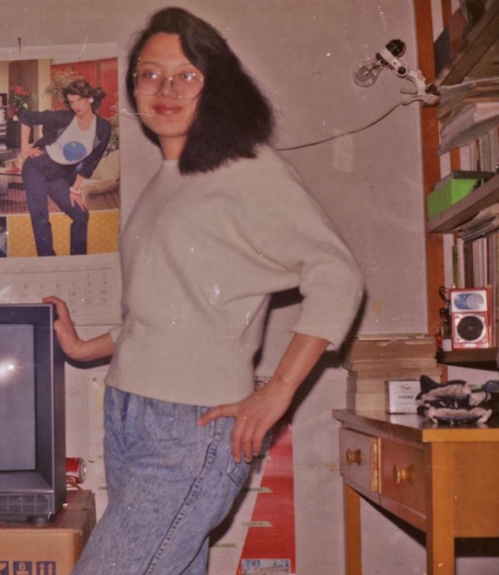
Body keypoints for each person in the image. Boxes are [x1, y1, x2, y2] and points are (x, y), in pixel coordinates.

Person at [44, 7, 364, 575]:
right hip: (128, 413)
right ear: (132, 87)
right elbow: (169, 314)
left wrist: (278, 392)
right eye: (149, 74)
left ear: (215, 86)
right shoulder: (166, 182)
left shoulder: (247, 168)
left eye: (186, 74)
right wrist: (81, 347)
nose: (165, 89)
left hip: (192, 428)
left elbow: (337, 274)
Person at [19, 79, 112, 256]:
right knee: (40, 217)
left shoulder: (103, 128)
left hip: (60, 176)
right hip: (37, 167)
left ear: (90, 99)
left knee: (81, 216)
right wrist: (25, 148)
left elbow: (92, 162)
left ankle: (77, 259)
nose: (75, 106)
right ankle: (48, 261)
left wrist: (75, 189)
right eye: (72, 102)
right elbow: (27, 118)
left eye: (79, 100)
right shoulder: (63, 117)